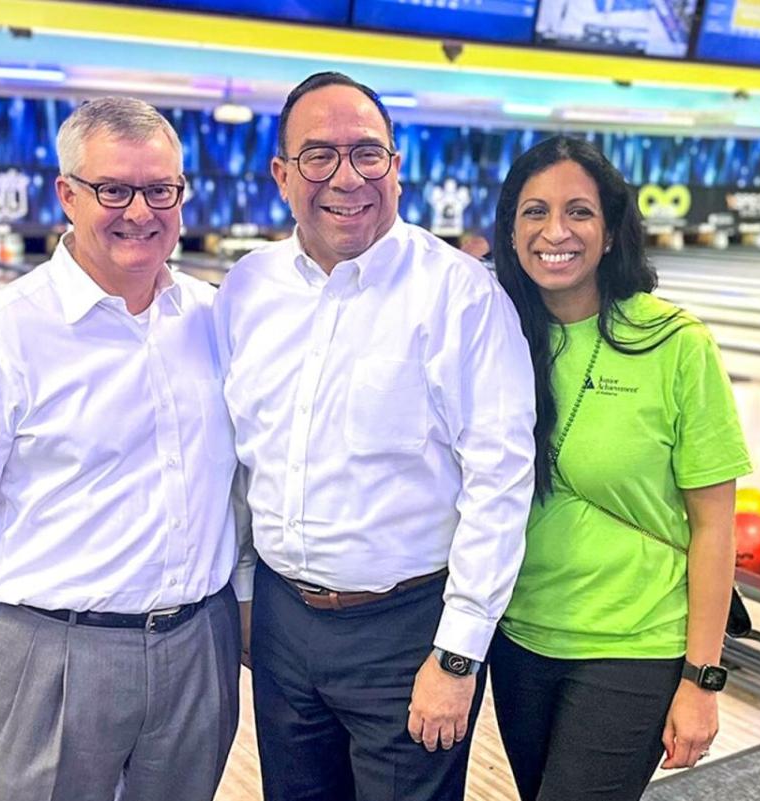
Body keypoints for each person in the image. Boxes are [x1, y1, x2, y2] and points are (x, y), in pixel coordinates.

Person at [0, 96, 248, 801]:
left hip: (200, 642)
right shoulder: (2, 336)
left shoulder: (215, 320)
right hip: (54, 651)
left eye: (160, 190)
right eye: (113, 189)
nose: (140, 211)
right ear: (68, 194)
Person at [213, 71, 536, 801]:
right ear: (282, 174)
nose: (347, 177)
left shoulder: (461, 295)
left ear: (396, 164)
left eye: (367, 154)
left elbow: (500, 482)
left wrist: (457, 656)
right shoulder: (246, 289)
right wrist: (241, 596)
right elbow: (234, 461)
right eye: (319, 155)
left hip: (409, 629)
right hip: (282, 620)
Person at [488, 135, 751, 801]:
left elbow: (715, 527)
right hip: (520, 640)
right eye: (533, 211)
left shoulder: (676, 345)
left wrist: (701, 679)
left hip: (634, 644)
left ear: (609, 233)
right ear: (510, 230)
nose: (555, 231)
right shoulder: (491, 338)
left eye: (579, 212)